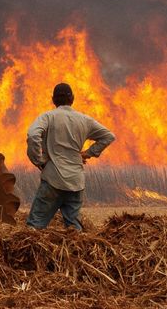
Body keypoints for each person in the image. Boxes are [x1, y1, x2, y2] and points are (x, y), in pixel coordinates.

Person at [26, 83, 115, 230]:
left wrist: (38, 160)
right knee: (74, 233)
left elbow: (33, 135)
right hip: (76, 182)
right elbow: (109, 136)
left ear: (53, 100)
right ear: (72, 99)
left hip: (53, 180)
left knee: (34, 228)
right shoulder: (85, 120)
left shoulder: (48, 117)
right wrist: (88, 153)